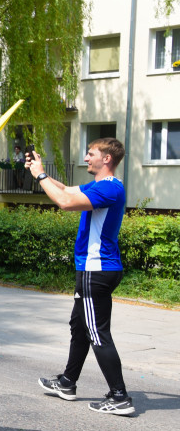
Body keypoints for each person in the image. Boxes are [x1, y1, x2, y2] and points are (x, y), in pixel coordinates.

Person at [29, 139, 134, 415]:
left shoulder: (109, 188)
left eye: (91, 154)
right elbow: (65, 189)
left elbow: (64, 202)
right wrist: (37, 171)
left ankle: (119, 395)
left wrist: (40, 175)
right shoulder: (101, 186)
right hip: (95, 269)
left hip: (96, 270)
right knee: (80, 326)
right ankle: (67, 382)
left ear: (107, 159)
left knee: (98, 333)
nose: (86, 158)